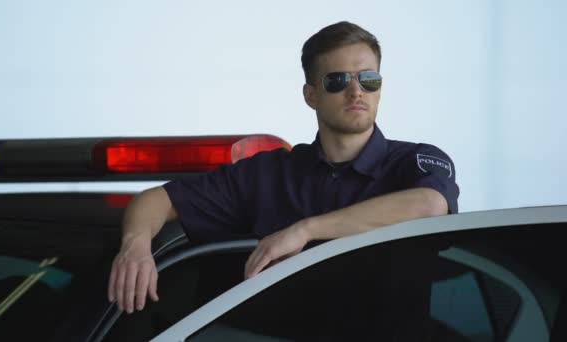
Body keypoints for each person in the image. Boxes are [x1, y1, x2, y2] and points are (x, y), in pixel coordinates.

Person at [107, 21, 459, 317]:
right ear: (310, 95)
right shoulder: (268, 174)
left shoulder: (414, 161)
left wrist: (305, 231)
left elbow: (430, 206)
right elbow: (157, 200)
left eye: (369, 79)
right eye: (338, 81)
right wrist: (135, 247)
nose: (356, 91)